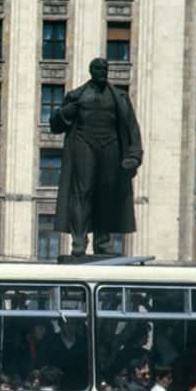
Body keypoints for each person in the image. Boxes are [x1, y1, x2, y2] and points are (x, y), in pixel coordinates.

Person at [50, 57, 143, 257]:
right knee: (81, 192)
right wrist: (66, 111)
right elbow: (55, 125)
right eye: (98, 69)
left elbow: (132, 128)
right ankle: (78, 241)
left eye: (105, 69)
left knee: (106, 193)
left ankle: (103, 243)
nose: (103, 72)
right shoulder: (76, 96)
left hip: (110, 145)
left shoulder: (119, 96)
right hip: (84, 144)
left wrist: (134, 156)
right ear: (91, 71)